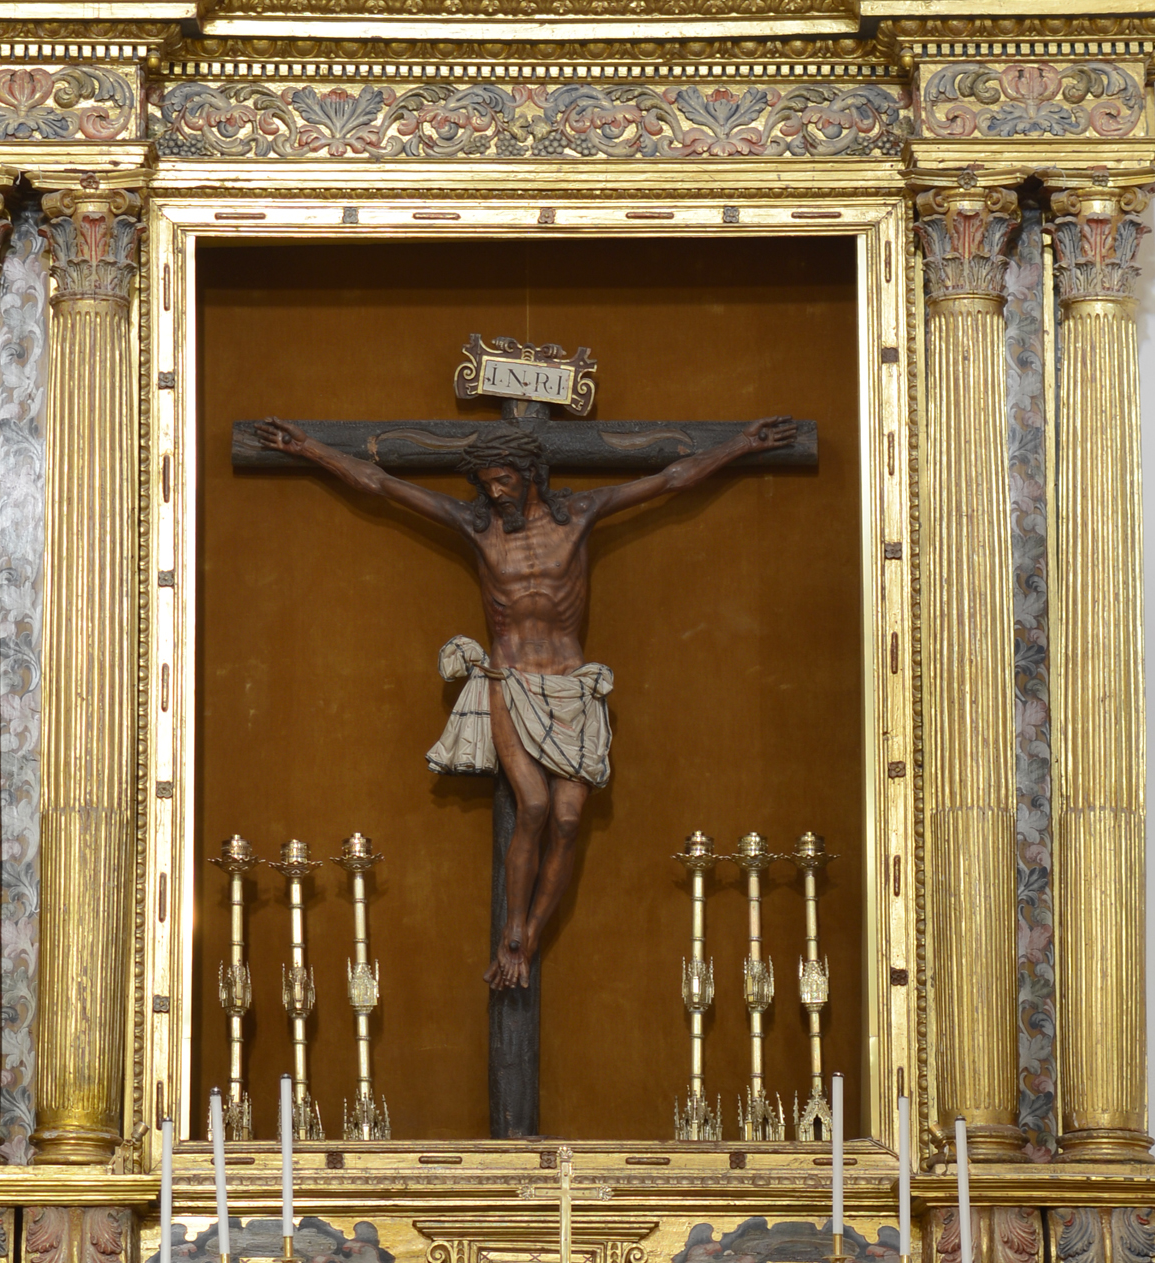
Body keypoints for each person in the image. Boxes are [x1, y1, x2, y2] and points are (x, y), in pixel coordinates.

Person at [250, 413, 798, 990]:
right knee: (533, 807)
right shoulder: (477, 525)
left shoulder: (581, 516)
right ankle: (513, 925)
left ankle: (530, 934)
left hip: (573, 685)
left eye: (503, 480)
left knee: (568, 817)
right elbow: (383, 485)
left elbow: (670, 480)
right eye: (486, 482)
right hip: (509, 682)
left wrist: (739, 445)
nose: (494, 492)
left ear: (531, 472)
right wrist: (311, 449)